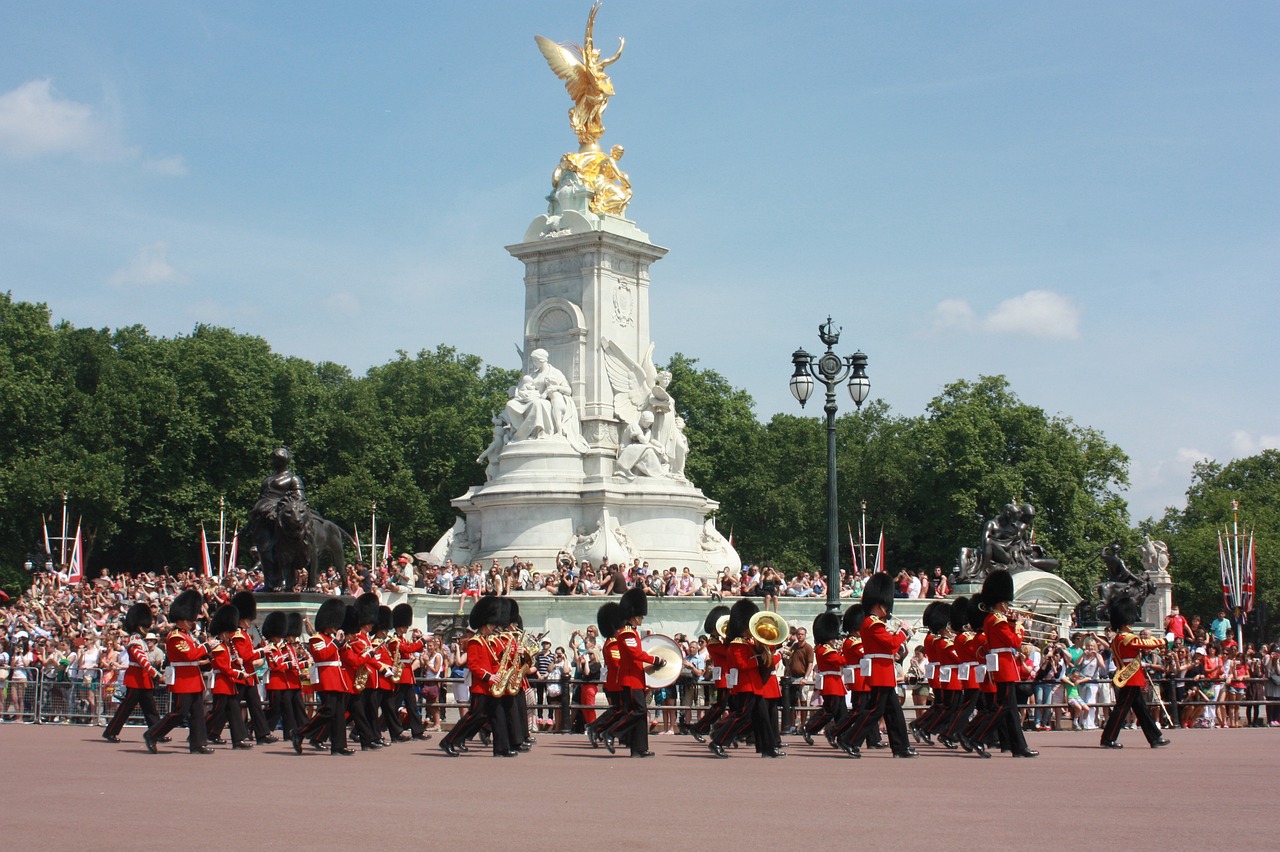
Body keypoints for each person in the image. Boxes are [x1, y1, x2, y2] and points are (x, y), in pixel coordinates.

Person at [835, 573, 916, 758]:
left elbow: (889, 645)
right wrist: (903, 631)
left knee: (894, 712)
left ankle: (901, 747)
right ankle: (850, 740)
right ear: (879, 605)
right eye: (886, 606)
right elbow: (891, 643)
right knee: (873, 711)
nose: (887, 609)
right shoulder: (872, 623)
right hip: (880, 672)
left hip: (884, 672)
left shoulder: (875, 623)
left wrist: (902, 634)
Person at [967, 570, 1038, 758]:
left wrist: (1013, 623)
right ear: (1001, 602)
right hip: (1004, 666)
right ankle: (977, 736)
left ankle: (1019, 747)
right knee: (1002, 707)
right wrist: (1020, 626)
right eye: (1007, 603)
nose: (1008, 606)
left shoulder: (995, 619)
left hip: (1003, 664)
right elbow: (1014, 643)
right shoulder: (997, 620)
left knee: (1011, 709)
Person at [144, 590, 212, 754]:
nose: (192, 621)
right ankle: (152, 734)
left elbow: (195, 655)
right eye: (189, 619)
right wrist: (207, 646)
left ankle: (198, 744)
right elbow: (190, 655)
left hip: (193, 678)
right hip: (183, 680)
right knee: (179, 713)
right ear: (182, 619)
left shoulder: (187, 635)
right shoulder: (175, 637)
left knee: (197, 713)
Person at [1098, 596, 1171, 750]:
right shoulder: (1127, 638)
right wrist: (1165, 640)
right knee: (1122, 709)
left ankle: (1155, 737)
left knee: (1141, 709)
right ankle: (1108, 738)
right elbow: (1147, 644)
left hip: (1128, 676)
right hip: (1131, 678)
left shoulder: (1118, 638)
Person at [600, 588, 663, 757]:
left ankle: (639, 748)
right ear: (634, 616)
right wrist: (655, 660)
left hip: (636, 678)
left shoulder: (631, 632)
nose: (642, 618)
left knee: (640, 714)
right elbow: (636, 654)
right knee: (639, 711)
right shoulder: (627, 632)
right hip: (630, 679)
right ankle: (611, 733)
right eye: (641, 616)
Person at [294, 597, 354, 755]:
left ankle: (339, 746)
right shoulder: (317, 638)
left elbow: (340, 655)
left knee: (338, 714)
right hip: (326, 678)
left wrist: (342, 644)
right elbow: (322, 655)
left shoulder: (331, 639)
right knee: (328, 710)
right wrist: (335, 644)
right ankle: (301, 732)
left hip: (337, 679)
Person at [102, 603, 163, 743]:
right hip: (136, 678)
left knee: (150, 708)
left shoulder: (140, 640)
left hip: (143, 678)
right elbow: (142, 661)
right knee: (126, 708)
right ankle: (111, 732)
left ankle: (157, 732)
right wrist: (157, 675)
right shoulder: (135, 640)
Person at [204, 604, 254, 749]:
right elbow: (224, 668)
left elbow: (227, 663)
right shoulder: (219, 648)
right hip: (221, 685)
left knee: (233, 712)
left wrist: (235, 661)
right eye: (227, 633)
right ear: (222, 633)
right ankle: (199, 732)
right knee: (216, 713)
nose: (229, 635)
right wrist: (240, 673)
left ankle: (238, 740)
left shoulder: (225, 647)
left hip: (228, 685)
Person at [802, 611, 848, 745]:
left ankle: (838, 735)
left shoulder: (828, 648)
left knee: (842, 714)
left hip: (837, 683)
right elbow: (841, 661)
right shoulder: (824, 649)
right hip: (830, 684)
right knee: (829, 711)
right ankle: (808, 728)